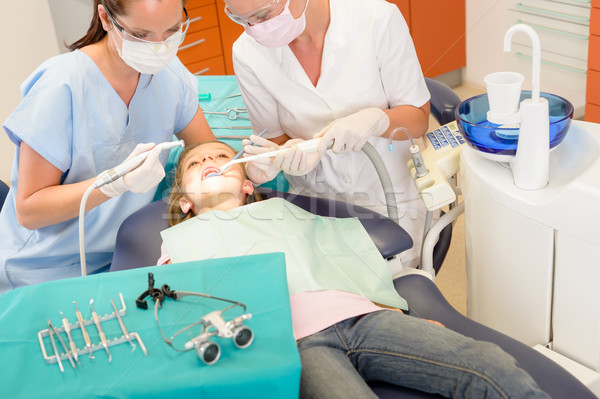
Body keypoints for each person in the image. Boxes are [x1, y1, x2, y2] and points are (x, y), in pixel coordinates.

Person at [157, 141, 551, 399]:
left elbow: (338, 260)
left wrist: (398, 315)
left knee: (487, 362)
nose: (209, 160)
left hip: (364, 318)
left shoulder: (280, 212)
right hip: (293, 343)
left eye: (222, 157)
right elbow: (180, 312)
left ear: (247, 184)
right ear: (185, 202)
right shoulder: (179, 244)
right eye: (196, 162)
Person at [0, 0, 214, 293]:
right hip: (46, 269)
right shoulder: (62, 86)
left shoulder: (169, 74)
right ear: (106, 18)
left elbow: (206, 150)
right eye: (141, 35)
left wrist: (248, 165)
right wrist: (114, 184)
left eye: (172, 30)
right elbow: (29, 210)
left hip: (129, 252)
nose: (159, 47)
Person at [223, 0, 432, 274]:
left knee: (395, 294)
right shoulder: (247, 52)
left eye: (263, 14)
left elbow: (418, 118)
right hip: (317, 204)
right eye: (244, 20)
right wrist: (282, 157)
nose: (256, 29)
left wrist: (376, 120)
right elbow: (273, 140)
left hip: (392, 198)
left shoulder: (377, 17)